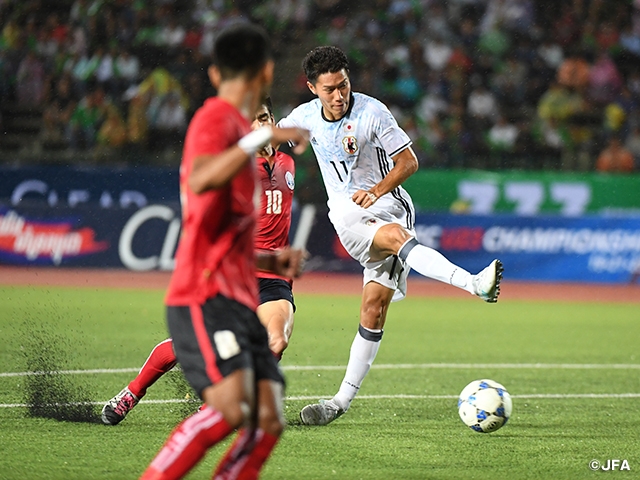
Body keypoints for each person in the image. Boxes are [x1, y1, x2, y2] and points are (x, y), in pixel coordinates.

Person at [276, 46, 502, 426]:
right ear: (313, 88)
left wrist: (378, 190)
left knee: (374, 310)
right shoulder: (303, 117)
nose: (339, 95)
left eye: (343, 85)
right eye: (329, 89)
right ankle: (474, 283)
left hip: (390, 206)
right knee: (394, 237)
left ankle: (339, 403)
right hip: (349, 212)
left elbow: (409, 161)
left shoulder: (372, 112)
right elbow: (273, 137)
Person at [138, 24, 308, 480]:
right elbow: (198, 178)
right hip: (205, 292)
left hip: (240, 287)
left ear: (214, 72)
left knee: (268, 416)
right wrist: (258, 139)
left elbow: (227, 232)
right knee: (232, 408)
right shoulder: (217, 122)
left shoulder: (247, 141)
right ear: (269, 71)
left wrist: (272, 261)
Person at [102, 98, 297, 426]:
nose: (258, 125)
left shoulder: (286, 160)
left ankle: (215, 408)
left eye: (264, 118)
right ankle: (132, 393)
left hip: (271, 280)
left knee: (275, 341)